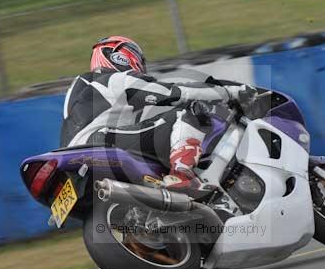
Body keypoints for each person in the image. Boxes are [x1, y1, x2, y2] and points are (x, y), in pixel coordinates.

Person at [60, 35, 255, 197]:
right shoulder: (115, 79)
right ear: (121, 56)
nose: (141, 66)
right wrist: (230, 92)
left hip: (76, 160)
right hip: (98, 143)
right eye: (139, 59)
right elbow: (175, 93)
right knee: (188, 110)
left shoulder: (81, 91)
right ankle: (182, 174)